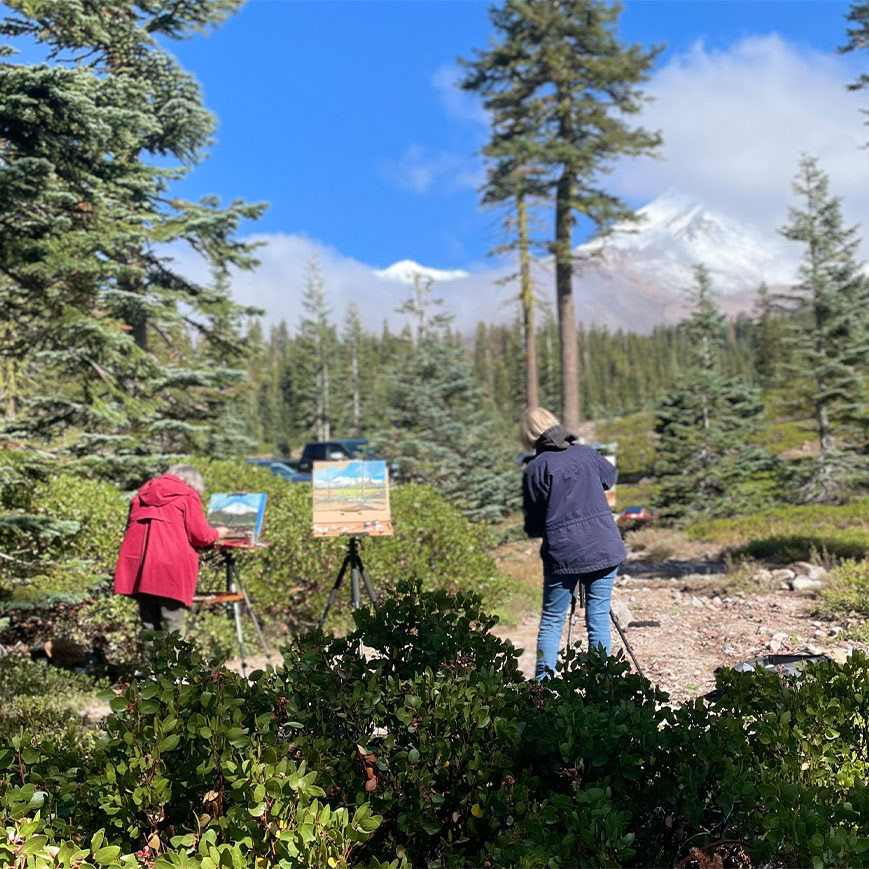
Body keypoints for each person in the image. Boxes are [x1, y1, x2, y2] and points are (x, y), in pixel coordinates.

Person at [520, 407, 626, 679]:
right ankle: (602, 686)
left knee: (552, 622)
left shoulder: (536, 469)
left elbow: (533, 526)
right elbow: (610, 477)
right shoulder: (586, 453)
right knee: (598, 616)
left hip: (563, 554)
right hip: (603, 545)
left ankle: (543, 689)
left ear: (529, 435)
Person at [114, 464, 230, 646]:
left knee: (150, 628)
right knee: (173, 628)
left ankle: (151, 665)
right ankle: (172, 665)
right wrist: (220, 532)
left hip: (141, 570)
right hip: (171, 570)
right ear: (192, 482)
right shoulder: (187, 496)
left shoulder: (139, 497)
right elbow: (201, 536)